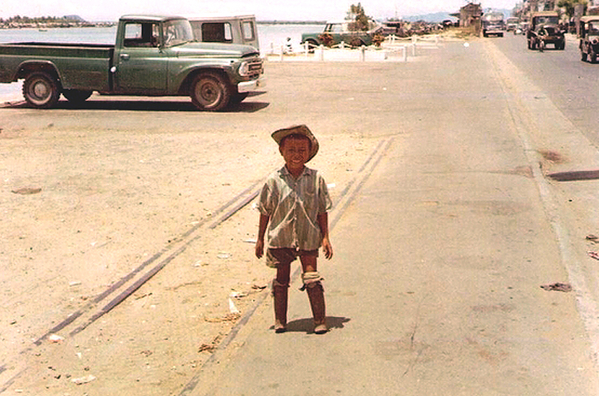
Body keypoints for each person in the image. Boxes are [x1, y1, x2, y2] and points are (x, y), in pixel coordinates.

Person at [255, 125, 333, 334]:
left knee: (311, 277)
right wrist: (260, 239)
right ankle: (280, 320)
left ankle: (319, 320)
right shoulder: (274, 180)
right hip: (281, 238)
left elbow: (322, 210)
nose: (296, 155)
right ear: (282, 152)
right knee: (281, 279)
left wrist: (325, 237)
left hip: (308, 237)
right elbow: (265, 211)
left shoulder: (316, 179)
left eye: (301, 150)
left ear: (309, 152)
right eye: (291, 150)